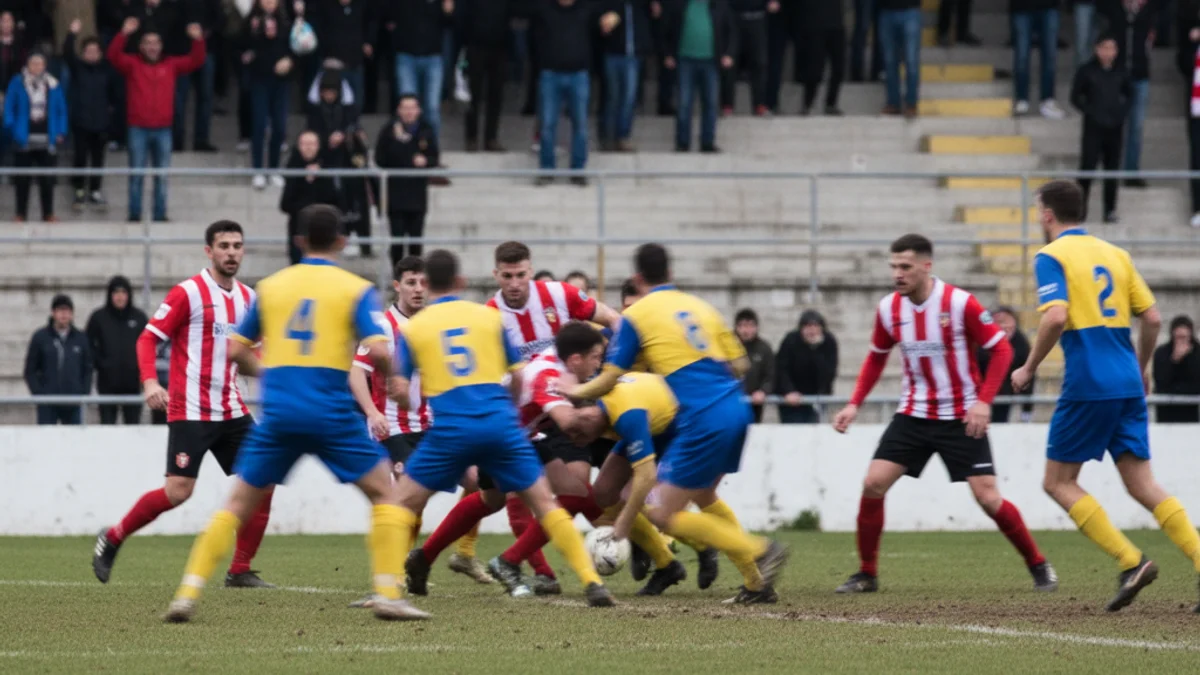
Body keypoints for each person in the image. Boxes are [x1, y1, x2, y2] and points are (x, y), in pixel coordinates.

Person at [163, 205, 416, 622]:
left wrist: (270, 375)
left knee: (237, 503)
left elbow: (236, 350)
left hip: (281, 414)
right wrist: (395, 381)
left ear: (298, 241)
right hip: (331, 413)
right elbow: (381, 349)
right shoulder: (354, 288)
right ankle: (389, 594)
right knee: (387, 496)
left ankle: (187, 594)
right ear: (341, 241)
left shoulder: (271, 287)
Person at [386, 248, 617, 615]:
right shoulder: (488, 317)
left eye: (520, 274)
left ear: (428, 285)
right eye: (506, 276)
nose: (513, 283)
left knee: (403, 502)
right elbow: (519, 376)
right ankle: (587, 580)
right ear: (466, 282)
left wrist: (408, 400)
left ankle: (393, 584)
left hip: (466, 426)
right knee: (539, 499)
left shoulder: (414, 328)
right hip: (509, 421)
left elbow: (405, 396)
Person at [1011, 180, 1200, 612]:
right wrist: (1142, 367)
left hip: (1088, 383)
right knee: (1143, 483)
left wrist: (1029, 367)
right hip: (1127, 382)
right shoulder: (1117, 255)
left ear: (1046, 215)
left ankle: (1129, 560)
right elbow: (1152, 318)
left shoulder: (1050, 256)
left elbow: (1056, 316)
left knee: (1057, 482)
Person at [830, 234, 1055, 595]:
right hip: (914, 415)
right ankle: (866, 574)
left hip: (961, 416)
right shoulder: (889, 308)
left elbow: (1001, 350)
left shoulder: (959, 302)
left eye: (905, 267)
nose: (898, 274)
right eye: (894, 267)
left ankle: (1039, 565)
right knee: (873, 483)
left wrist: (984, 402)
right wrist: (854, 402)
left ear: (926, 266)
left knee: (988, 497)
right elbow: (875, 356)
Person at [565, 243, 790, 604]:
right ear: (670, 273)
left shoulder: (638, 316)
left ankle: (759, 550)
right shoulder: (701, 307)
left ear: (638, 278)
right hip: (736, 405)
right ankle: (754, 583)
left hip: (701, 416)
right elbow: (742, 364)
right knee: (699, 494)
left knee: (664, 515)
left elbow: (609, 379)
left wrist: (572, 388)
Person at [92, 221, 274, 590]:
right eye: (223, 245)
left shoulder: (249, 299)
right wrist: (149, 381)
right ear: (209, 251)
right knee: (178, 492)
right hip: (191, 410)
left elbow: (257, 351)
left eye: (237, 245)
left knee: (264, 479)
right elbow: (147, 340)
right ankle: (113, 537)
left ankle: (240, 570)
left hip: (232, 409)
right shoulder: (187, 293)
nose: (231, 252)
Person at [346, 257, 495, 602]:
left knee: (476, 482)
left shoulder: (436, 323)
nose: (417, 290)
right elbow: (356, 373)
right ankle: (393, 574)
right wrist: (371, 413)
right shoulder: (383, 325)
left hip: (434, 426)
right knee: (409, 500)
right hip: (395, 427)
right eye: (410, 283)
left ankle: (464, 554)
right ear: (397, 286)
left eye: (423, 283)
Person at [107, 17, 206, 223]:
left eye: (156, 43)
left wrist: (198, 40)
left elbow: (196, 61)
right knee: (136, 175)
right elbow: (113, 56)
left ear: (161, 46)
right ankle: (134, 216)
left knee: (161, 176)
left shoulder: (171, 64)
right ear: (141, 46)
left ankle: (159, 216)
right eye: (148, 43)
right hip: (138, 128)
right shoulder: (132, 64)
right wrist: (123, 33)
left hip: (163, 129)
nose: (152, 47)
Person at [531, 0, 621, 185]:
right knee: (547, 125)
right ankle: (546, 170)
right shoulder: (543, 8)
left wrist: (611, 19)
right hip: (550, 74)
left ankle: (578, 171)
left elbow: (608, 19)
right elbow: (533, 37)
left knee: (580, 125)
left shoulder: (588, 8)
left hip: (579, 75)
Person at [1099, 0, 1162, 188]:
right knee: (1112, 124)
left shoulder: (1150, 9)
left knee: (1136, 126)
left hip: (1140, 74)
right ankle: (1110, 169)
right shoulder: (1114, 8)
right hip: (1117, 76)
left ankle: (1131, 171)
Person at [1070, 34, 1130, 223]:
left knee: (1112, 170)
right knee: (1087, 168)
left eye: (1112, 48)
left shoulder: (1121, 71)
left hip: (1115, 127)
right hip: (1093, 127)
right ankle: (1079, 212)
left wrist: (1121, 112)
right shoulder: (1087, 71)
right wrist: (1090, 111)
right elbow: (1075, 96)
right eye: (1104, 47)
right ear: (1097, 49)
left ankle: (1110, 210)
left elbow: (1130, 94)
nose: (1108, 52)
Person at [663, 0, 736, 152]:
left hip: (711, 62)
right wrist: (667, 54)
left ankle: (707, 142)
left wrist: (729, 53)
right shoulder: (679, 5)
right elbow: (666, 29)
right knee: (684, 102)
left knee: (710, 102)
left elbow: (732, 31)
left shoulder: (720, 5)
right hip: (685, 60)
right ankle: (683, 143)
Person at [375, 94, 439, 265]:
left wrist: (426, 161)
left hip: (417, 194)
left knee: (415, 241)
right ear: (399, 110)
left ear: (418, 110)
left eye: (412, 108)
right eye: (405, 108)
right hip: (395, 194)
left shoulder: (426, 129)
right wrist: (401, 143)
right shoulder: (389, 130)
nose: (409, 112)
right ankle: (397, 278)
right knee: (396, 241)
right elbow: (380, 159)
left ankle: (415, 278)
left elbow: (434, 157)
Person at [4, 51, 67, 223]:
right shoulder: (17, 82)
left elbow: (61, 110)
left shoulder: (53, 84)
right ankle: (20, 214)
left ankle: (48, 214)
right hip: (23, 139)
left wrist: (61, 132)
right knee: (22, 180)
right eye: (33, 64)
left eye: (40, 64)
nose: (37, 67)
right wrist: (12, 129)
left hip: (47, 139)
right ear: (28, 65)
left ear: (45, 66)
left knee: (47, 180)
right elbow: (9, 108)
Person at [240, 0, 293, 190]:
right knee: (259, 126)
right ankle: (258, 170)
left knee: (279, 127)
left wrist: (290, 61)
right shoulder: (250, 21)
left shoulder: (287, 21)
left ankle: (274, 169)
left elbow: (296, 47)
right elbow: (242, 48)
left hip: (281, 82)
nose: (270, 3)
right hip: (259, 81)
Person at [62, 19, 113, 210]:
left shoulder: (107, 70)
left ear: (100, 53)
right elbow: (67, 54)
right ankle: (78, 190)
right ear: (83, 53)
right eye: (88, 51)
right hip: (81, 123)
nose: (91, 54)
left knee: (98, 159)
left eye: (95, 51)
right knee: (80, 158)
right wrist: (72, 34)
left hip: (101, 124)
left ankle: (95, 190)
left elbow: (114, 97)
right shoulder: (78, 69)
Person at [387, 0, 453, 143]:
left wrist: (448, 11)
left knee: (432, 108)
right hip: (406, 57)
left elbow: (449, 23)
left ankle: (431, 152)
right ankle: (406, 152)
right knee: (407, 107)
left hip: (433, 58)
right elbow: (389, 14)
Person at [86, 276, 148, 425]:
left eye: (123, 292)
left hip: (133, 385)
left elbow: (148, 345)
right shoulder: (98, 318)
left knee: (133, 429)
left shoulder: (139, 318)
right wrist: (101, 363)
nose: (120, 297)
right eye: (116, 292)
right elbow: (87, 345)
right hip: (107, 385)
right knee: (107, 428)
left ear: (129, 295)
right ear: (110, 295)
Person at [458, 0, 518, 151]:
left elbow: (513, 12)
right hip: (475, 47)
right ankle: (471, 138)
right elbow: (461, 16)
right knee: (473, 96)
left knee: (496, 96)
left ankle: (491, 138)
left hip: (500, 48)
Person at [24, 294, 91, 425]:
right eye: (60, 310)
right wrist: (39, 394)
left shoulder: (81, 338)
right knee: (46, 442)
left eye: (67, 311)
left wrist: (83, 393)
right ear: (53, 313)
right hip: (47, 404)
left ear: (72, 314)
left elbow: (87, 369)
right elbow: (30, 370)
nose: (64, 315)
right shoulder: (40, 337)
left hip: (73, 403)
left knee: (74, 442)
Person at [279, 130, 340, 265]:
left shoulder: (327, 169)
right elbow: (285, 204)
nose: (308, 147)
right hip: (299, 230)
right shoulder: (293, 168)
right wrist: (305, 181)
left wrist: (319, 178)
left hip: (323, 233)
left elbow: (335, 201)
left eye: (312, 144)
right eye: (304, 144)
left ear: (318, 146)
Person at [601, 0, 653, 151]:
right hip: (613, 54)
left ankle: (623, 136)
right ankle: (608, 137)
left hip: (633, 57)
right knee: (612, 97)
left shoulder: (639, 5)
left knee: (629, 98)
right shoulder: (611, 4)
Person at [775, 310, 837, 424]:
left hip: (817, 397)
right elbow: (781, 368)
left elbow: (829, 373)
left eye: (815, 326)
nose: (812, 330)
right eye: (808, 326)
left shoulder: (829, 342)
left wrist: (815, 349)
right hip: (791, 398)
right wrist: (789, 391)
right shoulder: (791, 340)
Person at [977, 306, 1034, 423]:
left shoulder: (1020, 342)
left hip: (1005, 392)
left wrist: (1027, 409)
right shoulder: (980, 340)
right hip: (979, 391)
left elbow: (1028, 374)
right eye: (998, 322)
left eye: (1007, 322)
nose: (1003, 327)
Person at [1011, 0, 1066, 118]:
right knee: (1022, 55)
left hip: (1049, 7)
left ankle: (1047, 99)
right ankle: (1021, 98)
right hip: (1021, 7)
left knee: (1050, 55)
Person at [720, 0, 768, 117]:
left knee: (760, 63)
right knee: (729, 61)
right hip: (734, 17)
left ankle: (759, 104)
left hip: (758, 18)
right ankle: (727, 105)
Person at [799, 0, 845, 116]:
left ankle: (831, 104)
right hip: (816, 25)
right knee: (815, 68)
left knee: (839, 67)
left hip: (837, 25)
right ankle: (807, 103)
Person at [1153, 315, 1200, 423]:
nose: (1181, 342)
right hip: (1166, 412)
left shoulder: (1197, 352)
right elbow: (1161, 382)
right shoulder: (1162, 352)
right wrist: (1175, 360)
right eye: (1178, 337)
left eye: (1184, 337)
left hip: (1190, 412)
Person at [734, 308, 773, 423]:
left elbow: (770, 375)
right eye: (743, 326)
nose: (747, 330)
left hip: (754, 404)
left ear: (756, 327)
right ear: (737, 327)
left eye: (750, 326)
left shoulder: (764, 348)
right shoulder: (728, 346)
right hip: (731, 403)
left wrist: (763, 391)